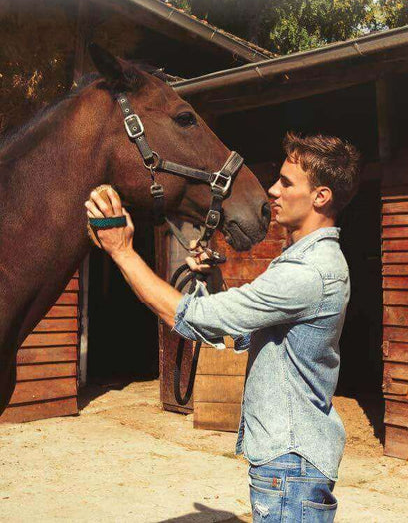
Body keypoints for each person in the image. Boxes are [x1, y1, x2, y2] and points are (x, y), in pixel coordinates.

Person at [85, 132, 361, 523]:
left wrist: (122, 251)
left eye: (286, 183)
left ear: (321, 197)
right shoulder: (307, 263)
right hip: (290, 463)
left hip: (291, 466)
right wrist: (214, 282)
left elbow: (196, 318)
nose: (273, 190)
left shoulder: (308, 272)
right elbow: (249, 332)